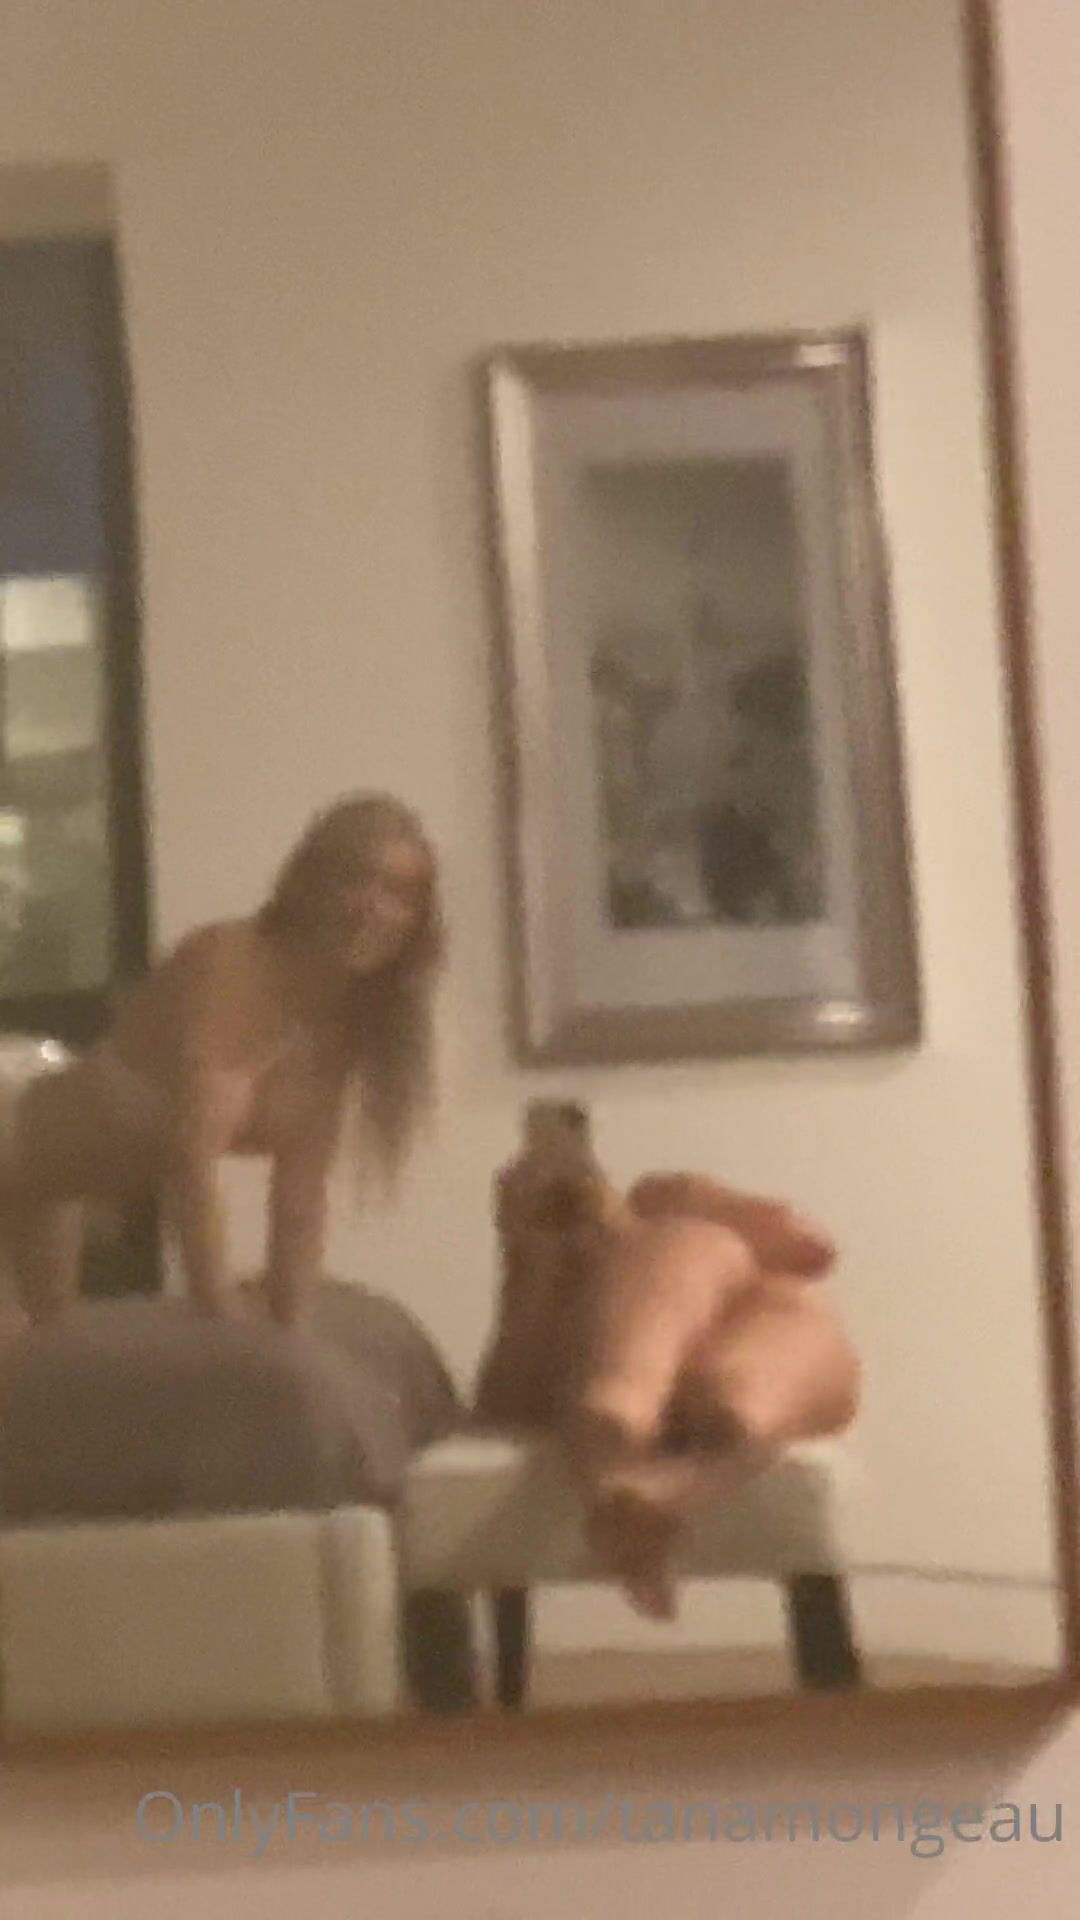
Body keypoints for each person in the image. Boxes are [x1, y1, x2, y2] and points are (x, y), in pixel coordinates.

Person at [0, 793, 445, 1330]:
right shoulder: (226, 962)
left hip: (52, 1186)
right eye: (357, 879)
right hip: (13, 1131)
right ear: (311, 881)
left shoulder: (341, 1029)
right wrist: (225, 1324)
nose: (375, 908)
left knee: (50, 1351)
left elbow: (299, 1202)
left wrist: (293, 1334)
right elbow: (192, 1162)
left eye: (401, 894)